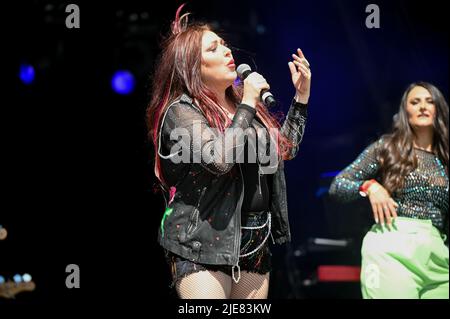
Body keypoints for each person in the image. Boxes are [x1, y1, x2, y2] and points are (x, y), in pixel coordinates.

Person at [146, 4, 311, 299]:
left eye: (223, 44)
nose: (226, 50)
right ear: (193, 67)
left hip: (255, 239)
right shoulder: (181, 111)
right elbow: (219, 160)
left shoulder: (242, 106)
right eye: (213, 48)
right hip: (202, 241)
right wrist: (248, 102)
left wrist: (301, 97)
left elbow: (284, 151)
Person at [329, 82, 449, 299]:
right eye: (415, 102)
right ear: (406, 112)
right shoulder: (387, 147)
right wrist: (370, 186)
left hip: (439, 254)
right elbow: (339, 185)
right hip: (393, 247)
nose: (423, 106)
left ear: (439, 109)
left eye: (429, 101)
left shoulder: (445, 159)